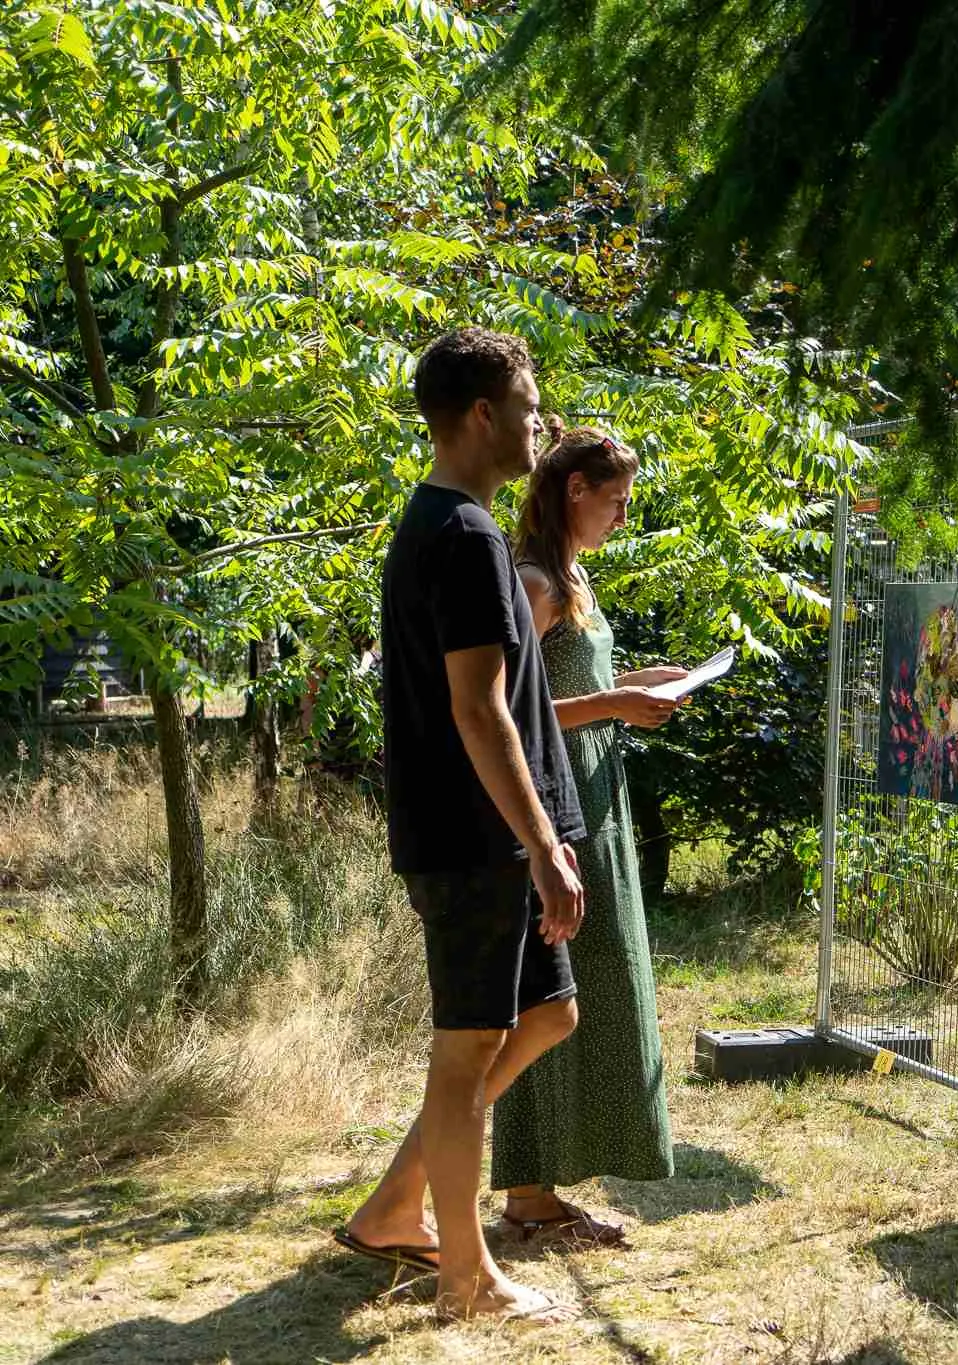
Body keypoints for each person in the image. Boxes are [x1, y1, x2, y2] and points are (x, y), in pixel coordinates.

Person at [336, 327, 586, 1325]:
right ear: (482, 416)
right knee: (464, 1049)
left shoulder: (446, 524)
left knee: (547, 1014)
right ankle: (466, 1280)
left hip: (488, 839)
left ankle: (401, 1206)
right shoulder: (467, 537)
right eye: (528, 408)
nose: (539, 425)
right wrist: (538, 844)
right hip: (475, 844)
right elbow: (477, 711)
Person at [490, 426, 688, 1246]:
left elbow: (580, 682)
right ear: (576, 492)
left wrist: (646, 683)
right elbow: (504, 711)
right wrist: (612, 707)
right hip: (557, 812)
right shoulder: (533, 581)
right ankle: (528, 1191)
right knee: (554, 995)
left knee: (601, 993)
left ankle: (548, 1183)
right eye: (616, 500)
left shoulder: (576, 580)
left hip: (599, 804)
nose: (622, 516)